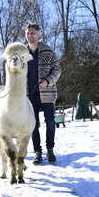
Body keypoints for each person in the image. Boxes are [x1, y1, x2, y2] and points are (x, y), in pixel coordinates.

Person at [25, 23, 61, 165]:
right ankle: (37, 152)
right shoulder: (23, 53)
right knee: (33, 125)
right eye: (28, 33)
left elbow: (57, 70)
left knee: (51, 123)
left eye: (33, 33)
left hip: (47, 94)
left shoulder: (48, 51)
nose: (30, 35)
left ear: (39, 34)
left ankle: (50, 149)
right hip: (30, 96)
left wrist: (47, 80)